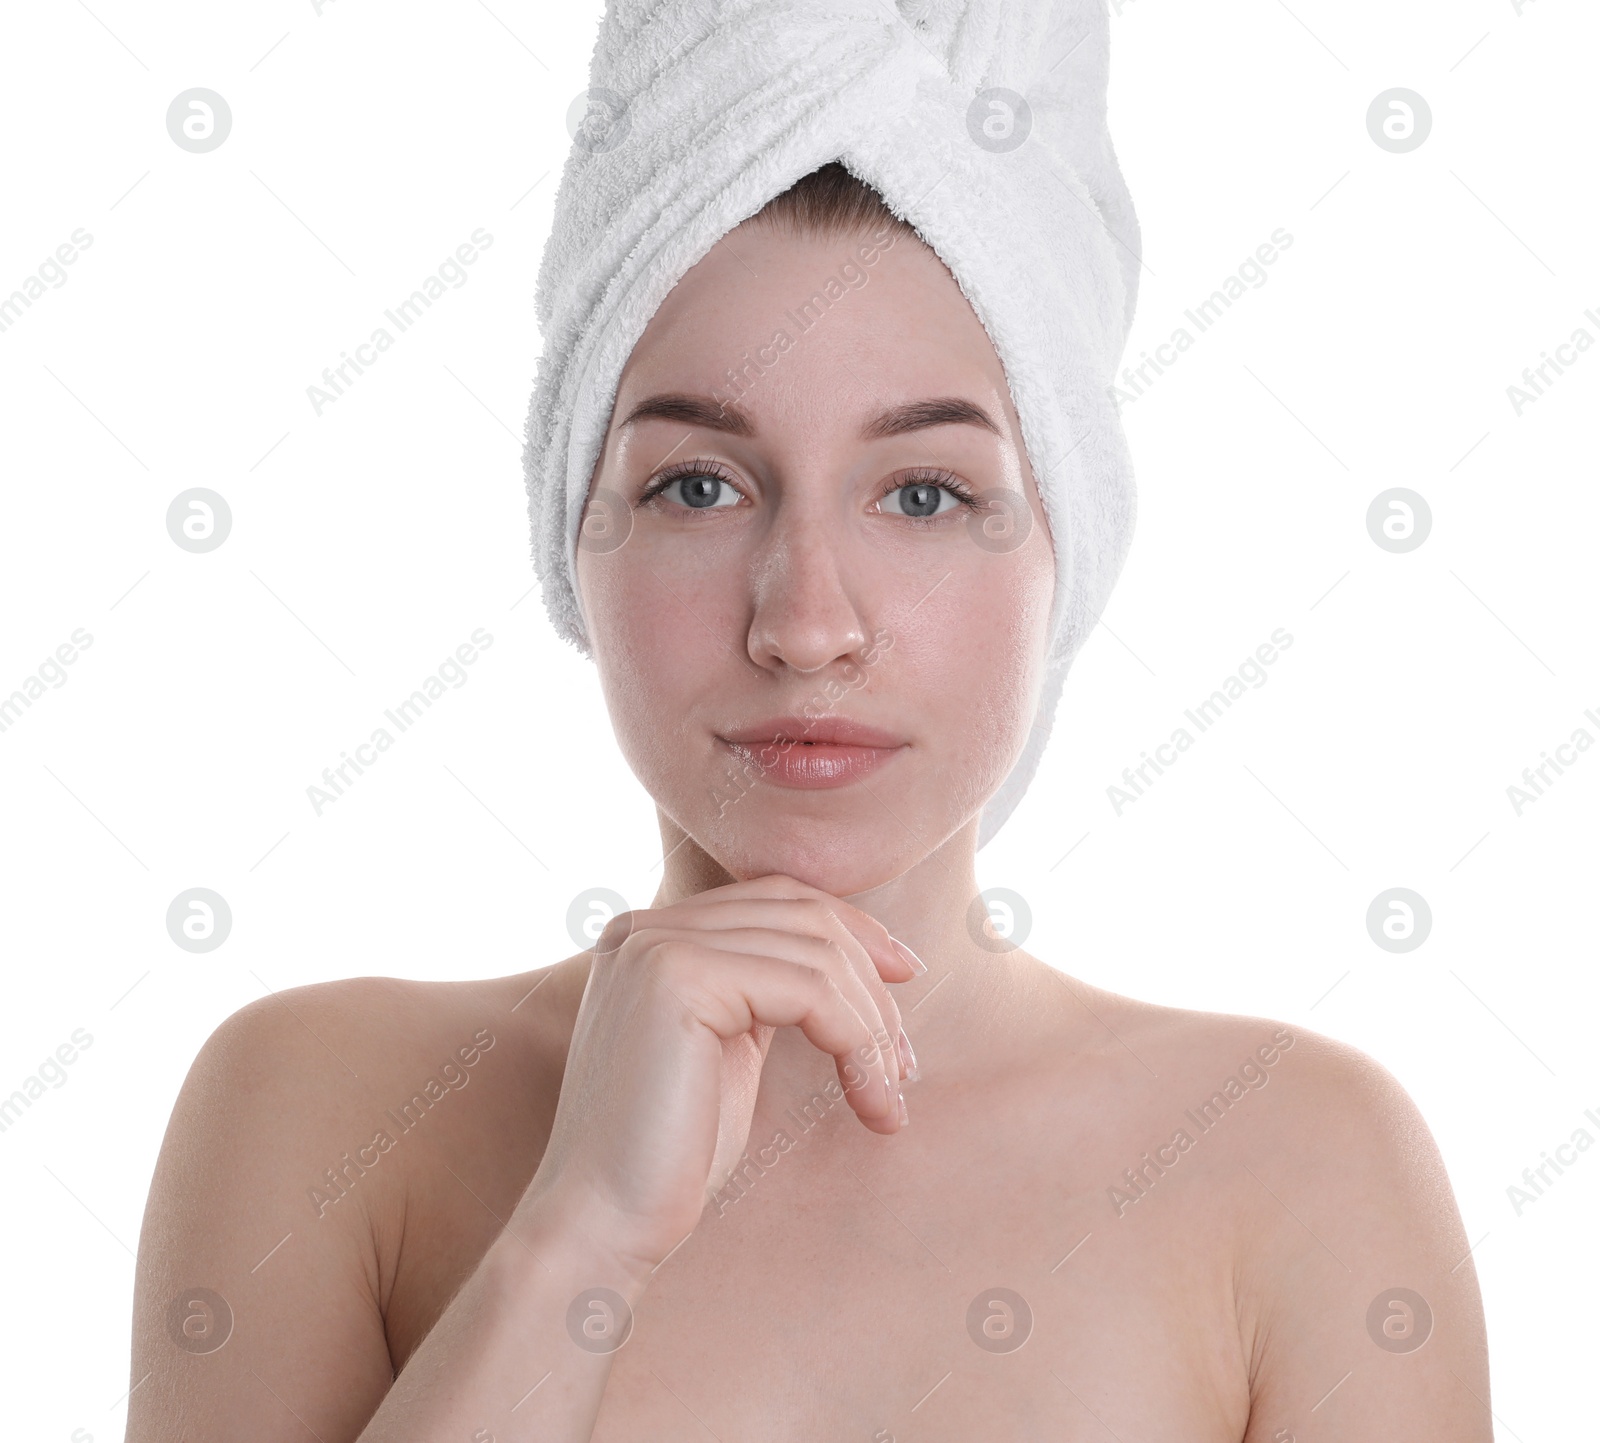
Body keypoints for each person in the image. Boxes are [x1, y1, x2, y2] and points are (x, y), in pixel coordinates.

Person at [124, 160, 1491, 1441]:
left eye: (924, 493)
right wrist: (583, 1234)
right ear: (573, 549)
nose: (808, 623)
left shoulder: (1299, 1157)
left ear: (1064, 555)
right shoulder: (320, 1107)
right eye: (700, 485)